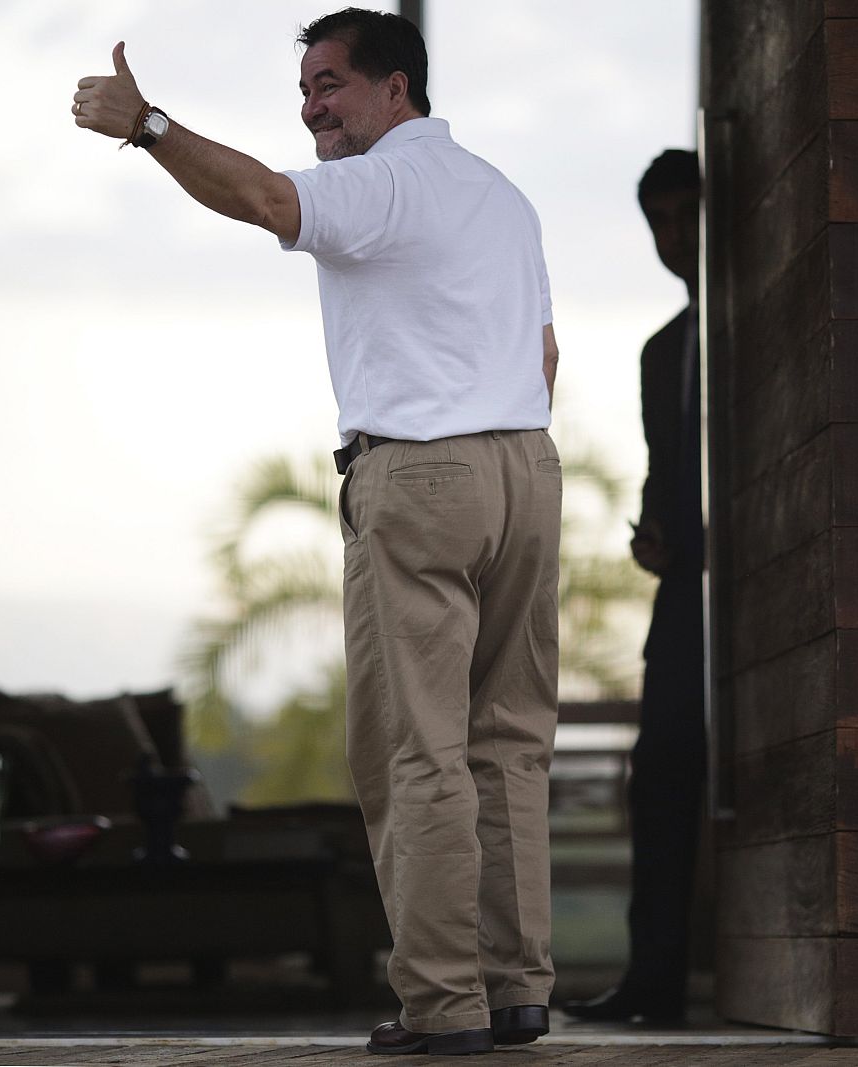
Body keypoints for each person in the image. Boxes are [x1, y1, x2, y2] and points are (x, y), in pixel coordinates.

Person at [72, 9, 561, 1056]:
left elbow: (261, 196)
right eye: (305, 89)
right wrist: (496, 447)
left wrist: (148, 124)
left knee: (416, 750)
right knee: (507, 746)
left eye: (331, 83)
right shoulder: (501, 197)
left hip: (422, 469)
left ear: (397, 91)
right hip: (524, 464)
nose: (312, 105)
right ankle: (517, 989)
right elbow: (545, 348)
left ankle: (444, 1003)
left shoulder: (379, 182)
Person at [564, 149, 704, 1025]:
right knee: (658, 781)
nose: (672, 235)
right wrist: (656, 536)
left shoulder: (762, 328)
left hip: (759, 597)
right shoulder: (664, 351)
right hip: (684, 598)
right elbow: (665, 469)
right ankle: (652, 980)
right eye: (658, 220)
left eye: (686, 213)